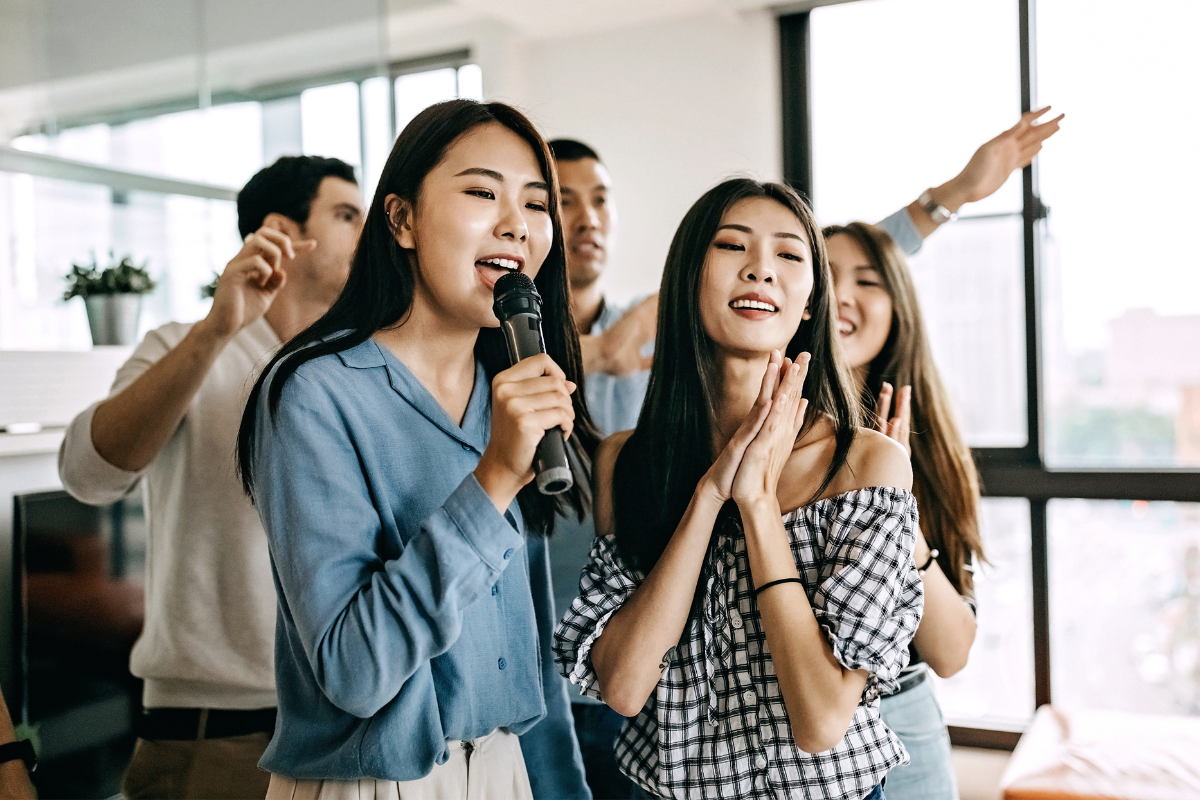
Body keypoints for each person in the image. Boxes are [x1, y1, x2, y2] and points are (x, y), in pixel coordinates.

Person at [237, 99, 594, 799]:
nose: (515, 225)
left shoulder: (511, 391)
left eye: (534, 203)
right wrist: (491, 480)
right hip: (373, 784)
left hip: (505, 772)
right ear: (400, 219)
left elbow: (531, 661)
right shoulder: (314, 394)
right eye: (481, 192)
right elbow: (355, 673)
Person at [555, 178, 923, 800]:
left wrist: (756, 506)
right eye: (732, 246)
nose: (760, 269)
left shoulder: (868, 464)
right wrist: (709, 495)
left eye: (788, 254)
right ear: (687, 280)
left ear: (810, 301)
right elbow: (623, 686)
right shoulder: (626, 460)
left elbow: (822, 721)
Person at [58, 155, 364, 799]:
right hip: (211, 740)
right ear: (284, 229)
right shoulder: (183, 345)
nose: (369, 234)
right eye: (346, 215)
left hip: (344, 736)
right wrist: (216, 331)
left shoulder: (358, 367)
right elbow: (87, 476)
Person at [825, 221, 983, 800]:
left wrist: (893, 505)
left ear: (897, 309)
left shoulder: (930, 448)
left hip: (905, 722)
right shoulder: (761, 433)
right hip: (789, 731)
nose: (841, 295)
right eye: (825, 277)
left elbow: (951, 652)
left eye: (866, 282)